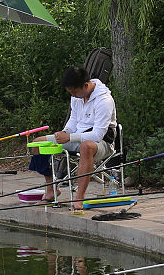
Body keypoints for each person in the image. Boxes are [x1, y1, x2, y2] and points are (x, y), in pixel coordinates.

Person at [29, 66, 117, 211]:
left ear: (86, 86)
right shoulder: (76, 97)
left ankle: (79, 198)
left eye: (75, 92)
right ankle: (51, 190)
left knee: (86, 146)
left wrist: (69, 137)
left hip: (102, 143)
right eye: (71, 93)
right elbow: (73, 120)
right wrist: (64, 132)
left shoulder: (104, 100)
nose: (73, 96)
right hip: (75, 137)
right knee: (37, 143)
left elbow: (97, 135)